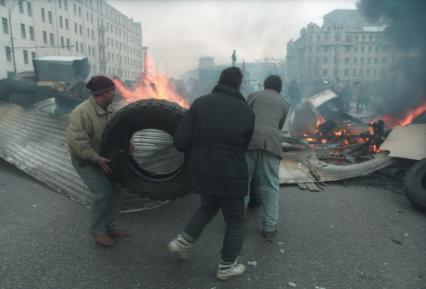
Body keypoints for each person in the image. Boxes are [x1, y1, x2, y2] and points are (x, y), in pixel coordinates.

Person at [168, 67, 255, 281]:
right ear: (239, 85)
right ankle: (227, 266)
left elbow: (180, 142)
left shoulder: (200, 103)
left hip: (202, 169)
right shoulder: (246, 111)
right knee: (235, 221)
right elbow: (246, 144)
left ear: (220, 81)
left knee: (208, 205)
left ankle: (183, 241)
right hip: (231, 172)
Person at [67, 75, 129, 247]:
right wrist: (96, 159)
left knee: (116, 191)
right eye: (112, 91)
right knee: (103, 193)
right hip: (86, 160)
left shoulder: (109, 108)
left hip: (104, 158)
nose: (115, 94)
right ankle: (98, 232)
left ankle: (111, 228)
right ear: (103, 93)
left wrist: (127, 144)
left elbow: (116, 132)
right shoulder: (81, 113)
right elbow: (77, 143)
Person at [245, 75, 289, 241]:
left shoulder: (253, 96)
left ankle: (236, 223)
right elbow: (279, 125)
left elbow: (246, 116)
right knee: (270, 185)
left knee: (244, 184)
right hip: (271, 144)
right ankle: (269, 226)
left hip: (250, 142)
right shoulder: (284, 102)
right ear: (280, 88)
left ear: (265, 85)